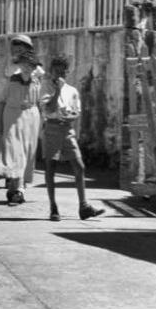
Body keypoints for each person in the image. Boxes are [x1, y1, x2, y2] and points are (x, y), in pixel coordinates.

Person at [39, 54, 106, 222]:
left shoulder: (72, 91)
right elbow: (48, 109)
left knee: (79, 166)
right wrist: (57, 91)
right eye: (56, 71)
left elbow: (77, 112)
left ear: (67, 72)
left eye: (63, 72)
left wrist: (71, 116)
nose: (59, 75)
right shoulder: (45, 87)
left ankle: (84, 206)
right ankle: (53, 207)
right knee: (51, 167)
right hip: (52, 128)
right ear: (51, 71)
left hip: (67, 129)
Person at [0, 33, 44, 205]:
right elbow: (1, 98)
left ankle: (17, 188)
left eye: (22, 48)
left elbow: (40, 97)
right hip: (12, 114)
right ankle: (16, 188)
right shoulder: (9, 70)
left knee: (27, 152)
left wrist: (43, 118)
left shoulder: (38, 71)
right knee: (14, 150)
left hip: (31, 115)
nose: (18, 51)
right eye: (15, 48)